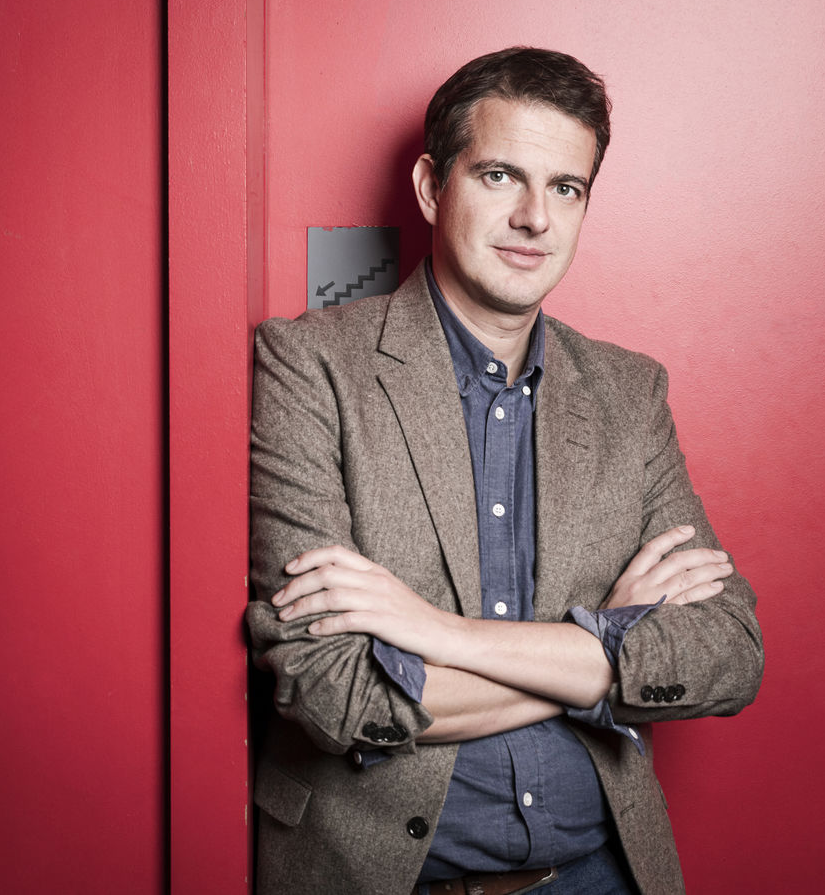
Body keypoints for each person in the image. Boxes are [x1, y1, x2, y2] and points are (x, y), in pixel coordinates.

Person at [246, 47, 763, 895]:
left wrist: (436, 633)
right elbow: (332, 691)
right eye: (499, 176)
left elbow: (727, 653)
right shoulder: (313, 367)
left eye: (566, 188)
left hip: (600, 873)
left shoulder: (628, 392)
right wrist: (601, 646)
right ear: (430, 187)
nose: (535, 219)